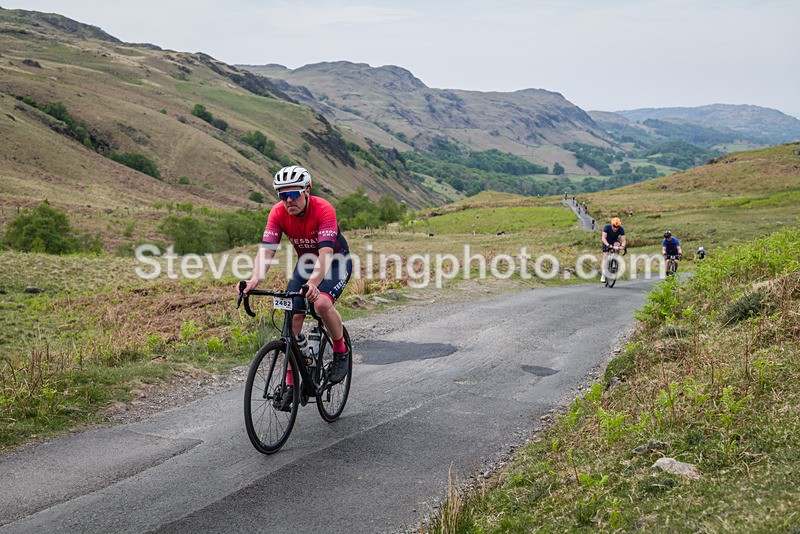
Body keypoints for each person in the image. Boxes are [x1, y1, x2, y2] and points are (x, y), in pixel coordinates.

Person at [241, 165, 353, 406]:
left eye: (293, 194)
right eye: (282, 195)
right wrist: (253, 281)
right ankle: (291, 383)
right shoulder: (278, 213)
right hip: (306, 263)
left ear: (307, 191)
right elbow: (266, 252)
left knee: (321, 303)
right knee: (292, 318)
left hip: (334, 261)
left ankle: (340, 350)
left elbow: (324, 255)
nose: (287, 200)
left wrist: (314, 283)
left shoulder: (324, 209)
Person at [601, 217, 626, 283]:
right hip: (607, 241)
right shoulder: (607, 227)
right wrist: (608, 245)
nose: (615, 228)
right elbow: (603, 238)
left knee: (617, 245)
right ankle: (603, 274)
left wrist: (622, 246)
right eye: (614, 226)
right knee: (605, 255)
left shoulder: (621, 229)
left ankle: (615, 260)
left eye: (617, 227)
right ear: (611, 225)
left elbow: (623, 240)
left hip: (615, 240)